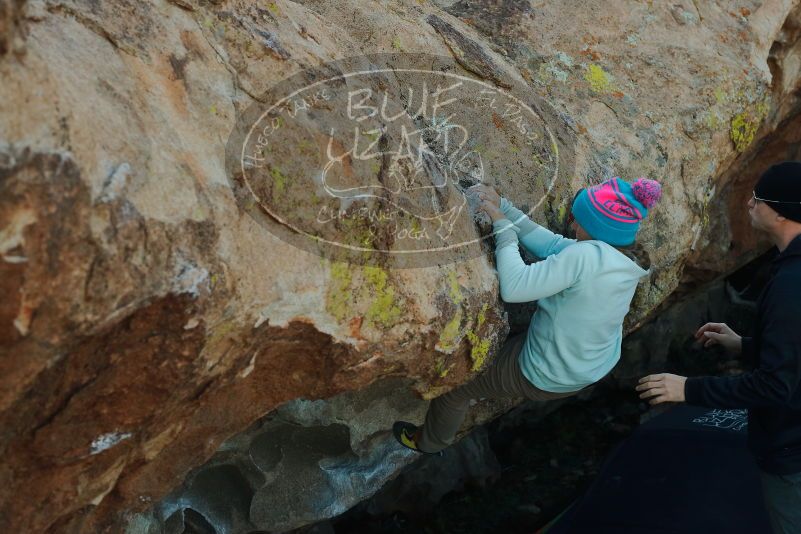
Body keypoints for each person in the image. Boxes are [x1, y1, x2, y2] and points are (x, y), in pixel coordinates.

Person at [393, 176, 662, 455]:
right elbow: (552, 245)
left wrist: (503, 228)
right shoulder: (623, 258)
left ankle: (430, 442)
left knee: (454, 389)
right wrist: (504, 207)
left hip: (549, 372)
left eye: (579, 220)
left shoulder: (585, 257)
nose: (572, 224)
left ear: (598, 230)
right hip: (590, 363)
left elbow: (515, 287)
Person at [636, 161, 801, 534]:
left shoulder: (791, 285)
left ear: (780, 213)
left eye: (758, 198)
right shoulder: (791, 269)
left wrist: (688, 389)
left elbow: (776, 386)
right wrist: (744, 345)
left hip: (793, 455)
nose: (749, 204)